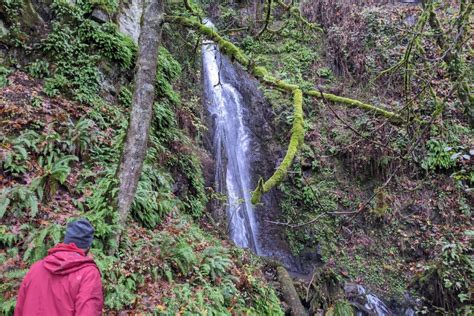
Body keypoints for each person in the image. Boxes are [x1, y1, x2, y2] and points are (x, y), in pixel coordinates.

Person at [14, 218, 103, 316]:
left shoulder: (36, 268)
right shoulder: (88, 273)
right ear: (88, 247)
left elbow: (19, 309)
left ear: (65, 241)